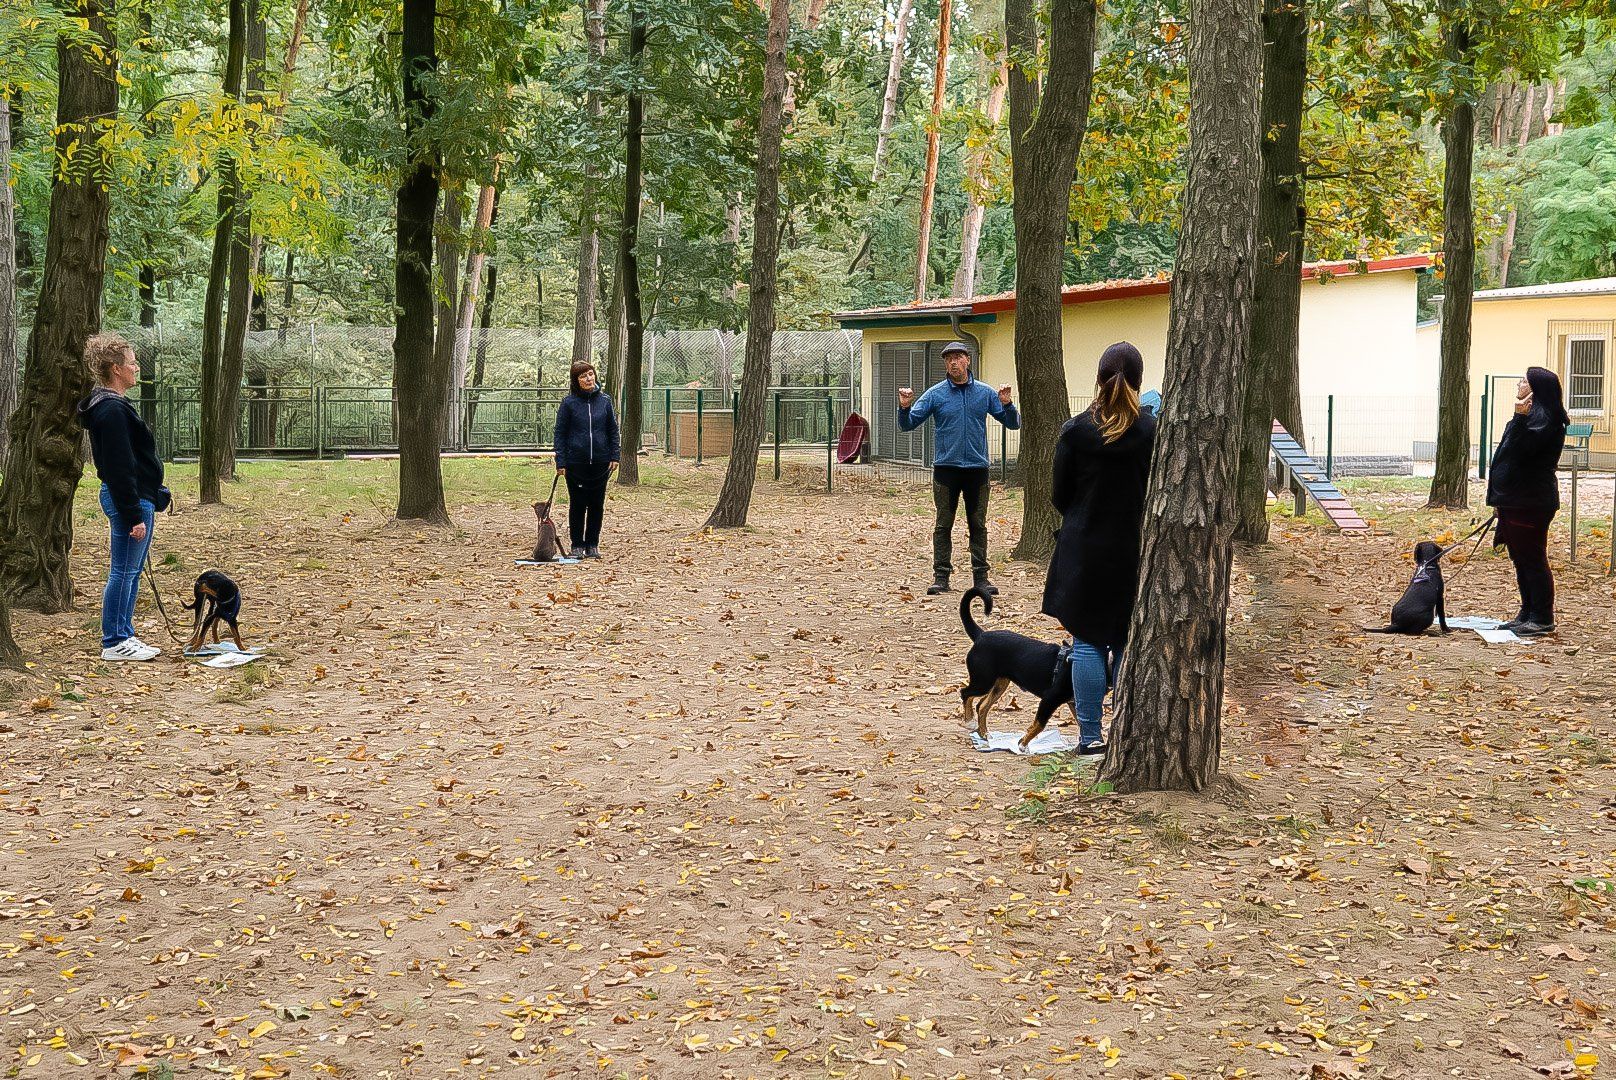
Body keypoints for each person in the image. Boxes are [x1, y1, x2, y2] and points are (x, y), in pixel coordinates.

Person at [1040, 342, 1156, 754]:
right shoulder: (1152, 431)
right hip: (1134, 549)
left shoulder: (1076, 430)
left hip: (1084, 549)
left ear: (1098, 378)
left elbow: (1058, 494)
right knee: (1126, 640)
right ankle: (1126, 734)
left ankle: (1090, 737)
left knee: (1088, 641)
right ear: (1140, 381)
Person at [897, 341, 1019, 595]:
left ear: (968, 360)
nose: (953, 362)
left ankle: (981, 578)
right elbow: (908, 425)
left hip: (977, 469)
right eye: (948, 358)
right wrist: (905, 406)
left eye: (958, 357)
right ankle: (941, 576)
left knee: (978, 524)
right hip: (946, 470)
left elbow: (1013, 424)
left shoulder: (985, 393)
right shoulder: (935, 394)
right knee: (943, 525)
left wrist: (1007, 403)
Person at [79, 332, 171, 661]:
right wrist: (133, 514)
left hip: (137, 497)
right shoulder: (111, 410)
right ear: (116, 368)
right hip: (128, 500)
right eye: (132, 362)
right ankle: (114, 640)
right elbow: (119, 467)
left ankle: (124, 634)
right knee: (123, 571)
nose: (137, 367)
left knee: (129, 571)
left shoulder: (112, 406)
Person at [1486, 365, 1569, 636]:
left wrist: (1519, 419)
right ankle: (1527, 612)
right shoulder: (1530, 415)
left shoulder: (1546, 420)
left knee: (1532, 559)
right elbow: (1506, 452)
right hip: (1515, 499)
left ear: (1535, 389)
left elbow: (1521, 452)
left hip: (1530, 501)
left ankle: (1542, 617)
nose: (1519, 383)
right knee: (1520, 559)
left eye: (1524, 380)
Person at [553, 361, 620, 558]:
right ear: (576, 381)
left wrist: (615, 455)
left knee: (596, 504)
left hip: (601, 461)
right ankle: (577, 545)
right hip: (576, 463)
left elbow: (613, 431)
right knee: (578, 504)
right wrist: (561, 461)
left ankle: (592, 544)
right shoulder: (569, 403)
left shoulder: (605, 401)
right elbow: (560, 433)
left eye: (590, 374)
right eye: (583, 376)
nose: (589, 378)